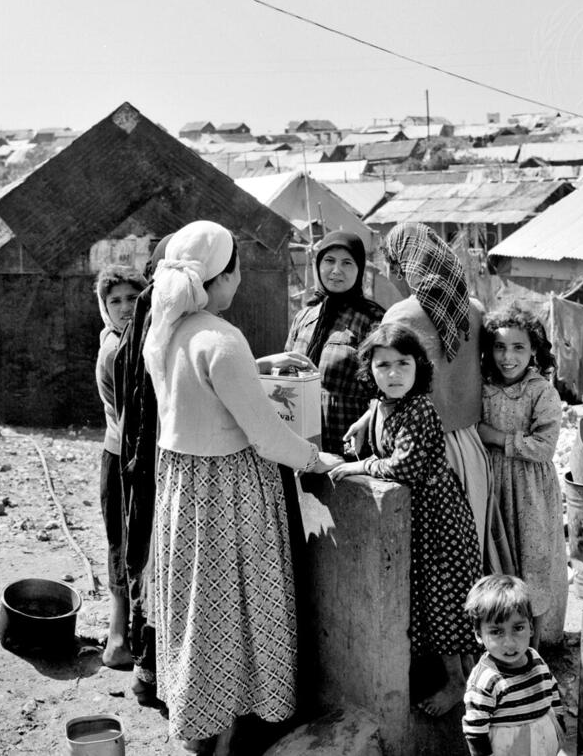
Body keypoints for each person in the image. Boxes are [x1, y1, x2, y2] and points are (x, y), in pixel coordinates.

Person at [142, 220, 339, 755]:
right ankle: (230, 734)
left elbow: (200, 403)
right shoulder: (223, 340)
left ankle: (197, 716)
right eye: (237, 271)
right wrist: (322, 459)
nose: (239, 281)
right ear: (221, 277)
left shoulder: (166, 331)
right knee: (239, 609)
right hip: (229, 491)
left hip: (184, 487)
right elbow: (269, 438)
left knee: (198, 609)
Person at [329, 322, 482, 717]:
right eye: (383, 366)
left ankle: (457, 682)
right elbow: (381, 404)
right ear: (370, 371)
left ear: (419, 367)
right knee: (433, 599)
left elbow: (407, 465)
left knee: (443, 599)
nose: (393, 374)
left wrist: (359, 465)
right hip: (425, 519)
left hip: (440, 520)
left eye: (403, 364)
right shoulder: (387, 402)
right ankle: (463, 673)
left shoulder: (419, 407)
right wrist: (366, 419)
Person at [347, 222, 508, 573]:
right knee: (468, 550)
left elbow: (391, 385)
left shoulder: (401, 315)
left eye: (390, 265)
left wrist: (369, 419)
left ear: (403, 265)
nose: (389, 275)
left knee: (426, 562)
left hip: (420, 451)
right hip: (469, 447)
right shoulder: (474, 309)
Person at [478, 305, 567, 647]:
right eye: (499, 347)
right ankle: (500, 638)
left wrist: (497, 438)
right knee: (500, 555)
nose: (507, 357)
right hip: (492, 483)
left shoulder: (540, 391)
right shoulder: (483, 386)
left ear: (533, 350)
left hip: (530, 488)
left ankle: (537, 643)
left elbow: (544, 447)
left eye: (518, 347)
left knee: (534, 559)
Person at [112, 234, 174, 705]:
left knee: (146, 559)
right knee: (150, 559)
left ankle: (144, 665)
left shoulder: (139, 325)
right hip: (150, 461)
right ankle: (147, 662)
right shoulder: (163, 322)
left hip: (138, 461)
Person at [272, 230, 384, 454]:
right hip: (300, 437)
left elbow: (385, 387)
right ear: (318, 264)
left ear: (359, 268)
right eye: (329, 261)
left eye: (347, 263)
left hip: (349, 440)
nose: (336, 271)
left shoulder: (373, 320)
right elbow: (283, 375)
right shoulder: (304, 317)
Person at [94, 264, 147, 668]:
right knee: (125, 545)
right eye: (116, 301)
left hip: (128, 454)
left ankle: (125, 636)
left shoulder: (125, 339)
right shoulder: (118, 350)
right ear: (104, 307)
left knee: (130, 545)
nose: (126, 307)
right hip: (123, 459)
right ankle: (118, 637)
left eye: (133, 298)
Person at [463, 575, 567, 756]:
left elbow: (552, 691)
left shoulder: (535, 659)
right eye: (496, 632)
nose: (509, 643)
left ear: (531, 628)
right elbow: (475, 730)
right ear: (479, 635)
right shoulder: (486, 680)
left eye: (518, 628)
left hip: (544, 743)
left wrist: (559, 725)